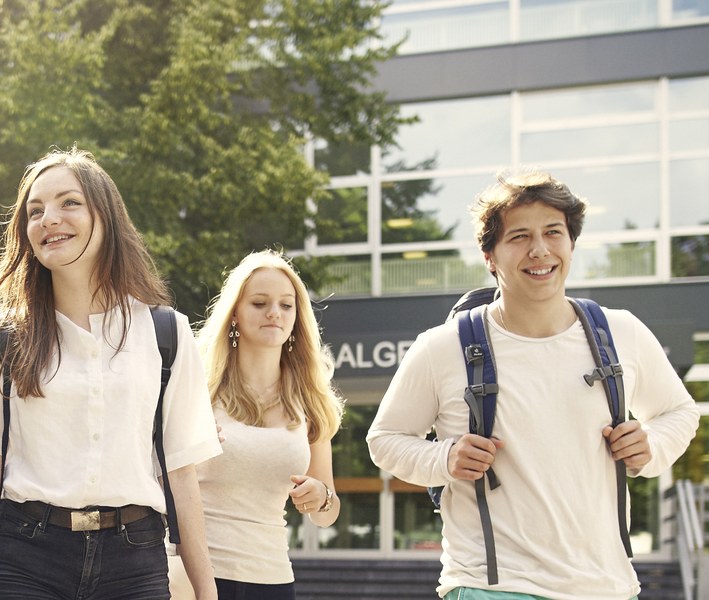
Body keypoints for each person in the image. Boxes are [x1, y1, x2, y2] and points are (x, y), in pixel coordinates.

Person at [366, 169, 699, 600]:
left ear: (571, 243)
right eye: (519, 236)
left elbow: (681, 411)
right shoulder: (442, 347)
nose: (539, 250)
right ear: (490, 256)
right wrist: (445, 457)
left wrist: (650, 444)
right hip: (491, 585)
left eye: (553, 233)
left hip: (605, 586)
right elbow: (384, 440)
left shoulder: (621, 333)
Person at [0, 147, 222, 600]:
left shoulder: (166, 333)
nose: (48, 218)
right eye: (35, 211)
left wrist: (208, 595)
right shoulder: (2, 339)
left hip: (133, 561)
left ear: (105, 216)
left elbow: (182, 477)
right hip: (26, 558)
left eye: (69, 202)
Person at [170, 250, 343, 600]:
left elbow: (327, 514)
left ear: (297, 316)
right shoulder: (199, 388)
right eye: (259, 303)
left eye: (285, 305)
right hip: (193, 577)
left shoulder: (310, 400)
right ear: (235, 314)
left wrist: (321, 498)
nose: (274, 313)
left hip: (272, 576)